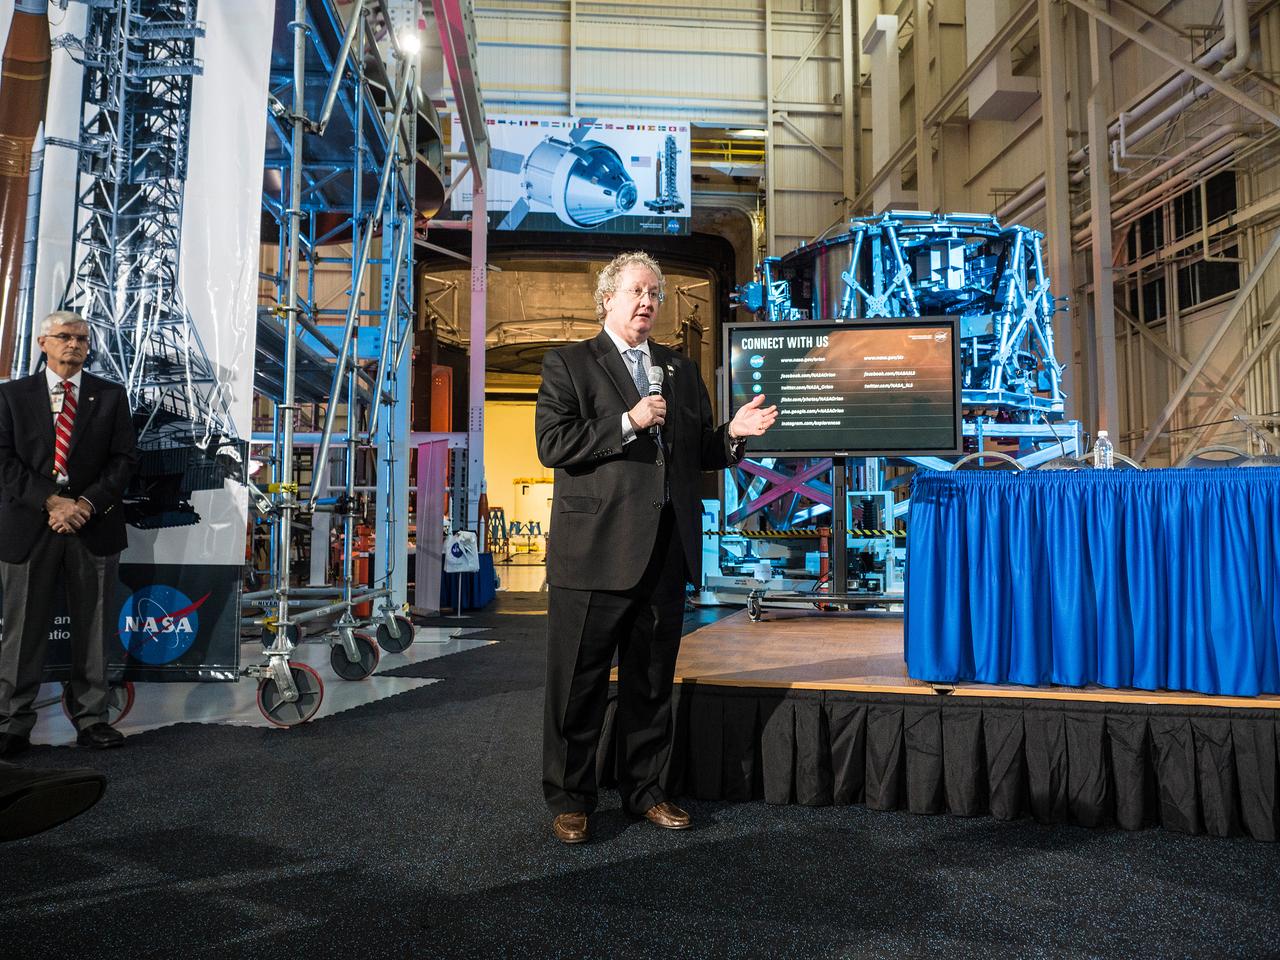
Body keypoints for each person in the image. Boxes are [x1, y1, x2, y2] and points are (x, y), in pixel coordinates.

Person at [536, 251, 777, 844]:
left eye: (656, 294)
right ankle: (571, 797)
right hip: (593, 553)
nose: (648, 303)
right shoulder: (570, 363)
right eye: (638, 292)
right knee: (579, 685)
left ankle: (646, 789)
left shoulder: (679, 369)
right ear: (608, 299)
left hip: (664, 554)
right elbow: (553, 444)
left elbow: (697, 451)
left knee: (651, 682)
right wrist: (629, 420)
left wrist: (733, 438)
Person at [0, 311, 138, 756]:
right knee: (22, 631)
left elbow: (123, 460)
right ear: (43, 342)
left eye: (81, 338)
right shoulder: (10, 396)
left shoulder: (111, 397)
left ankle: (93, 719)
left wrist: (82, 505)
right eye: (64, 337)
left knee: (95, 628)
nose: (74, 344)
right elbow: (3, 461)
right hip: (28, 526)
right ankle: (12, 721)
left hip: (92, 525)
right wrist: (51, 501)